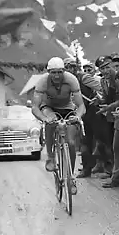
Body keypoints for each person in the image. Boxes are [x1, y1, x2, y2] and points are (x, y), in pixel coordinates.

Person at [32, 57, 86, 195]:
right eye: (53, 72)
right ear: (48, 72)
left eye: (60, 72)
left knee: (71, 143)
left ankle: (71, 177)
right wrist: (44, 119)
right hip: (48, 107)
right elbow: (35, 107)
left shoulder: (71, 79)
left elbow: (81, 106)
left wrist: (77, 117)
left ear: (64, 71)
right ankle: (51, 157)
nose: (56, 75)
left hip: (67, 108)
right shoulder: (42, 82)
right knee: (51, 121)